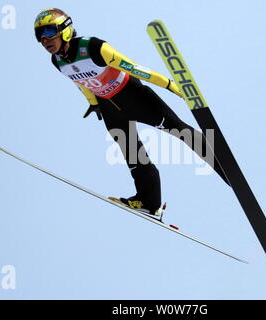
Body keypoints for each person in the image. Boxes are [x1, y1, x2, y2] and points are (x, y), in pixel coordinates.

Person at [34, 8, 229, 215]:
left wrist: (170, 85)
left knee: (181, 131)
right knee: (135, 157)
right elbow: (81, 83)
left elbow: (135, 68)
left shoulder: (93, 47)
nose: (44, 40)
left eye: (48, 32)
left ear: (65, 29)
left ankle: (225, 168)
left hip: (135, 98)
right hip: (110, 109)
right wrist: (93, 103)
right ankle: (149, 203)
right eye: (39, 36)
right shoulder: (58, 62)